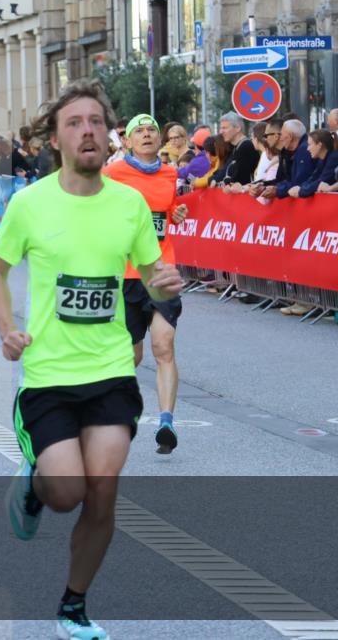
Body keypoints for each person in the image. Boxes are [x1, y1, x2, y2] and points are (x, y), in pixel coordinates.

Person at [0, 79, 183, 640]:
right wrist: (7, 329)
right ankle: (35, 480)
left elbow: (152, 279)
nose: (88, 130)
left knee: (102, 488)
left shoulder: (130, 205)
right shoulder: (30, 203)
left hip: (113, 370)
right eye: (75, 123)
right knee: (66, 492)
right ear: (56, 139)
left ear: (109, 133)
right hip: (48, 374)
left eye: (96, 121)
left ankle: (74, 605)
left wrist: (166, 284)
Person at [103, 113, 188, 454]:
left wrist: (176, 213)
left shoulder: (170, 172)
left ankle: (166, 421)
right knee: (132, 354)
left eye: (152, 129)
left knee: (163, 345)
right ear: (128, 141)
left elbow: (168, 211)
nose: (147, 135)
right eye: (139, 131)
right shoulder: (112, 173)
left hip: (161, 270)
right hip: (125, 275)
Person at [288, 130, 338, 198]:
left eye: (310, 145)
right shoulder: (323, 159)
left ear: (319, 145)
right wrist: (300, 187)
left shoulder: (334, 158)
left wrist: (301, 191)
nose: (308, 149)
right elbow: (313, 178)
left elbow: (322, 181)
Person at [216, 112, 259, 186]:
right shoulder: (237, 147)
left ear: (238, 128)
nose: (221, 132)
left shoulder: (245, 146)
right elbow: (225, 172)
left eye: (224, 128)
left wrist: (222, 184)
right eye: (221, 128)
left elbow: (240, 179)